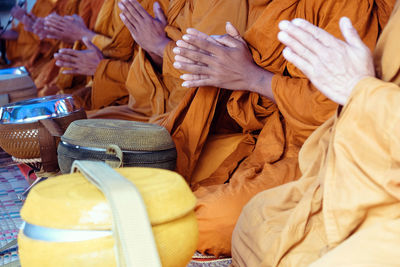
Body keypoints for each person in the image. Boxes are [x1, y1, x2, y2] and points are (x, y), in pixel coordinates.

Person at [167, 0, 395, 256]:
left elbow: (335, 110)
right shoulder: (260, 7)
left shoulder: (344, 5)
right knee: (163, 170)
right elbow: (248, 111)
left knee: (202, 222)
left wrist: (253, 77)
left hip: (316, 146)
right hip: (264, 135)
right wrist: (221, 63)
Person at [231, 2, 400, 265]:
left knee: (213, 218)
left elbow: (330, 103)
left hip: (378, 171)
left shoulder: (347, 5)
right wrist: (162, 52)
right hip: (330, 148)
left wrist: (254, 78)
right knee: (253, 220)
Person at [89, 0, 247, 122]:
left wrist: (159, 45)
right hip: (156, 106)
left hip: (197, 117)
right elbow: (155, 63)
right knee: (74, 127)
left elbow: (213, 66)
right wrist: (153, 47)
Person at [4, 0, 81, 94]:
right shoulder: (39, 3)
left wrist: (26, 21)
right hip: (26, 61)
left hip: (60, 61)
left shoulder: (66, 4)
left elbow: (52, 43)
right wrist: (5, 34)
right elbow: (23, 32)